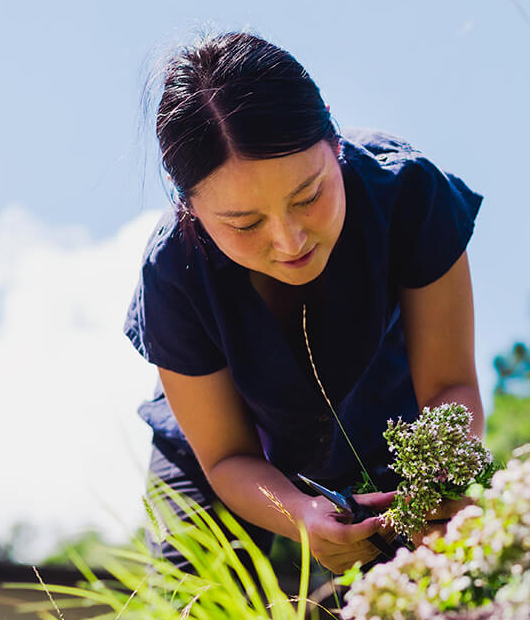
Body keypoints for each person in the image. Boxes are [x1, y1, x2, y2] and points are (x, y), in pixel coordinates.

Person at [124, 32, 484, 574]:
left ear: (334, 139)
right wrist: (296, 512)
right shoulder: (172, 275)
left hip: (396, 441)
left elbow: (450, 386)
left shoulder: (409, 194)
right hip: (219, 467)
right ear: (189, 208)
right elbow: (228, 457)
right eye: (244, 223)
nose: (290, 241)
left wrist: (434, 482)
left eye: (310, 196)